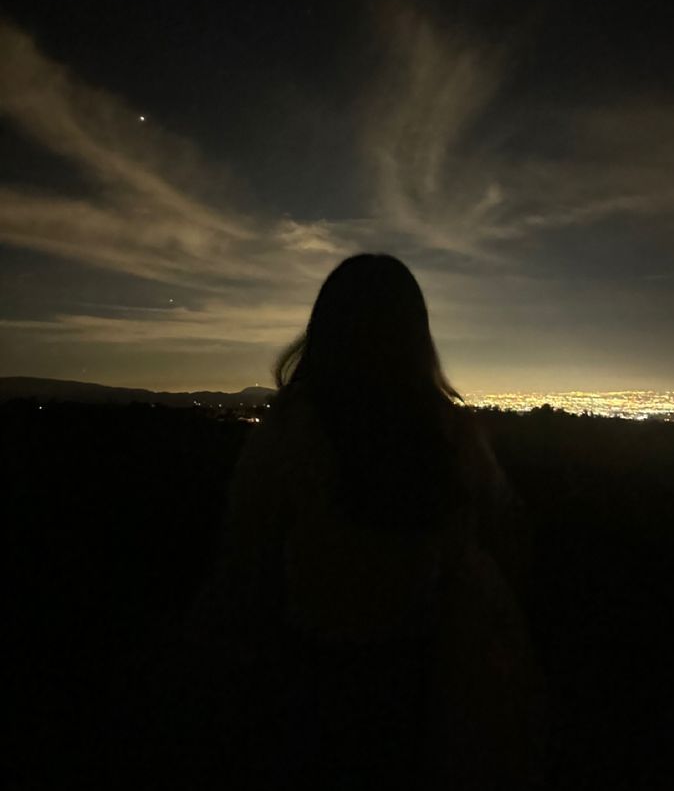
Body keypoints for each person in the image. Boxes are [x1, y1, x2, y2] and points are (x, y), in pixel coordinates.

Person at [208, 254, 542, 789]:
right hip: (430, 684)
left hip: (310, 681)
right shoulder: (449, 435)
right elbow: (508, 534)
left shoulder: (292, 433)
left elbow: (243, 556)